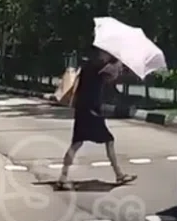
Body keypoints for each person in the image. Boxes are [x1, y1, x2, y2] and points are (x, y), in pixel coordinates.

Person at [56, 48, 137, 190]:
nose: (107, 56)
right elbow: (111, 73)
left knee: (76, 143)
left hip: (83, 110)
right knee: (109, 140)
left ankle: (63, 177)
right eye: (106, 53)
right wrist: (119, 61)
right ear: (100, 54)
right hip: (91, 111)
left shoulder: (89, 67)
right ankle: (119, 175)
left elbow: (109, 77)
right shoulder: (96, 67)